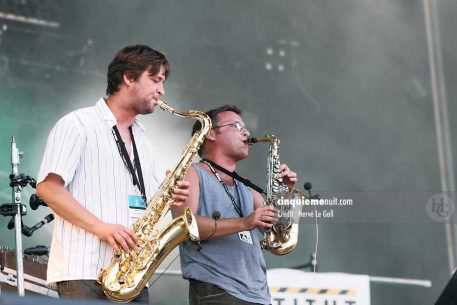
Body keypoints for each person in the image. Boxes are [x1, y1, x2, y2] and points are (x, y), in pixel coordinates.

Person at [36, 45, 189, 303]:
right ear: (128, 77)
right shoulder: (77, 124)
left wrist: (169, 194)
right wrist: (101, 228)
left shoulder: (143, 140)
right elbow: (48, 188)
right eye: (155, 80)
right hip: (85, 272)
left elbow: (145, 205)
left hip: (131, 277)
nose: (161, 91)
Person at [172, 105, 297, 305]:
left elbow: (277, 235)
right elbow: (184, 227)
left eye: (245, 127)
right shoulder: (192, 173)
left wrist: (286, 193)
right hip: (217, 290)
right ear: (210, 133)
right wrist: (244, 223)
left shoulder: (246, 186)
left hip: (258, 294)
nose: (246, 132)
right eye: (236, 125)